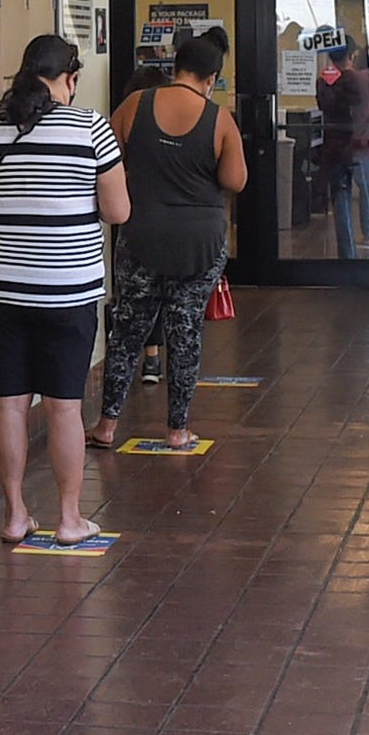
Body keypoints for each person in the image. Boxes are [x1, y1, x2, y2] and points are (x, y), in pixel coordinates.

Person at [0, 32, 129, 544]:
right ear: (70, 79)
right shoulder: (90, 128)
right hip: (67, 291)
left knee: (10, 402)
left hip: (0, 289)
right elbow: (118, 211)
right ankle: (70, 518)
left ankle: (14, 515)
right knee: (65, 407)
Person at [91, 27, 244, 450]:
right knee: (185, 331)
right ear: (211, 78)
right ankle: (177, 430)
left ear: (174, 67)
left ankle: (106, 426)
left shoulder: (135, 105)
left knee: (127, 332)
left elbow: (104, 159)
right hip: (200, 244)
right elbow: (236, 179)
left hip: (141, 235)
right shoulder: (219, 119)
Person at [317, 44, 369, 260]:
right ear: (352, 56)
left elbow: (325, 104)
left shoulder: (325, 81)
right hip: (362, 146)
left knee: (341, 201)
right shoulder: (364, 78)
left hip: (336, 149)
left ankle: (347, 254)